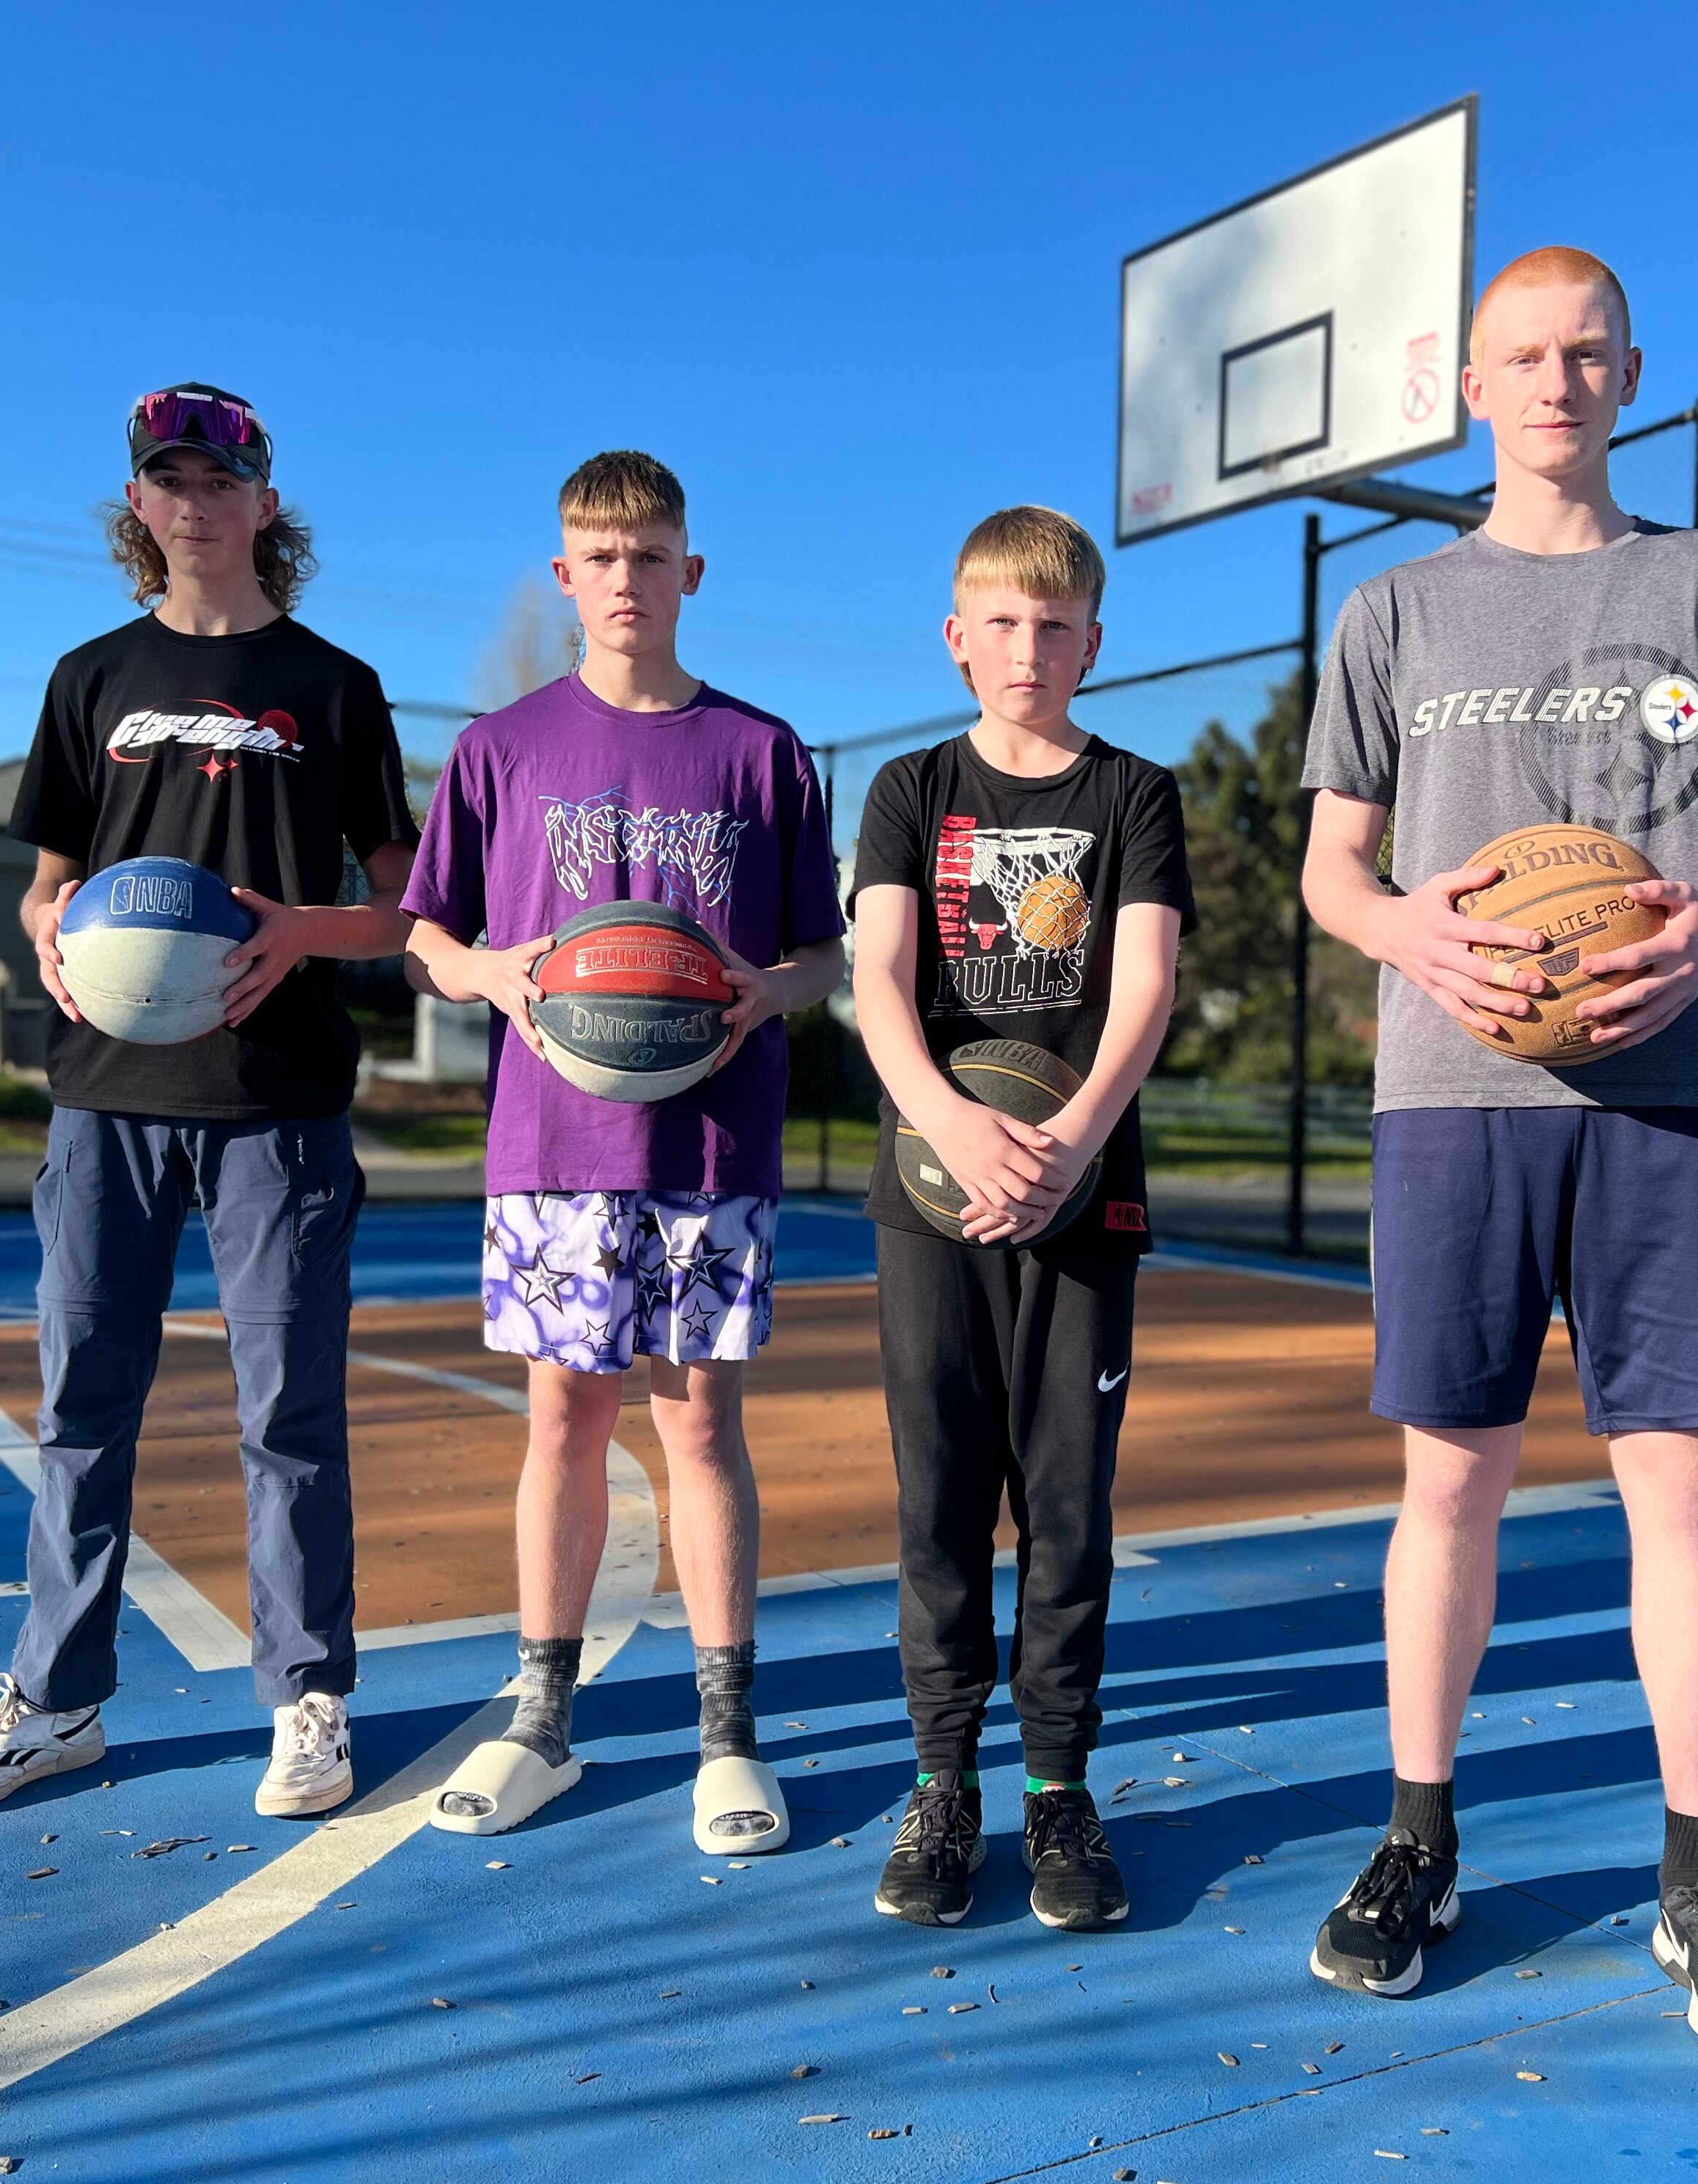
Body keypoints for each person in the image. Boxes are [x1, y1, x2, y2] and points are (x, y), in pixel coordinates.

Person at [1298, 249, 1698, 2056]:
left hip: (1673, 1095)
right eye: (1522, 356)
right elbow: (1334, 868)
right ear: (1473, 385)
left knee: (1679, 1492)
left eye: (1586, 353)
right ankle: (1417, 1842)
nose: (1555, 381)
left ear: (1632, 374)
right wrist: (1410, 935)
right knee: (1449, 1484)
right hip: (1453, 1097)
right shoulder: (1395, 611)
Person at [0, 383, 418, 1821]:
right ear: (140, 503)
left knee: (288, 1413)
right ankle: (56, 1703)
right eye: (170, 478)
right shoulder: (90, 677)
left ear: (266, 503)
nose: (197, 500)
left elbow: (407, 909)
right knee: (82, 1407)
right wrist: (49, 936)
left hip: (279, 1099)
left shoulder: (336, 686)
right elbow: (47, 886)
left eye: (222, 478)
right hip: (107, 1097)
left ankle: (307, 1697)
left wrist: (299, 933)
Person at [402, 450, 845, 1854]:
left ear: (690, 572)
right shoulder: (500, 747)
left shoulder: (762, 751)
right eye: (599, 557)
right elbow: (426, 936)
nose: (626, 580)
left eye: (650, 556)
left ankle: (727, 1738)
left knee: (700, 1426)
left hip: (712, 1144)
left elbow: (823, 954)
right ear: (564, 575)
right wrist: (491, 971)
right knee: (563, 1422)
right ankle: (542, 1719)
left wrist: (761, 989)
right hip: (551, 1143)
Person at [847, 506, 1192, 1929]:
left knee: (1065, 1506)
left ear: (1092, 644)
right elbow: (878, 979)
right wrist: (945, 1119)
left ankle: (1057, 1786)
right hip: (934, 1204)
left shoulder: (1134, 794)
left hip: (1079, 1199)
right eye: (1001, 622)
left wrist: (1074, 1142)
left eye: (1054, 627)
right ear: (957, 637)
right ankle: (945, 1783)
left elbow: (1145, 987)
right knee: (939, 1502)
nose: (1027, 648)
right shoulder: (911, 788)